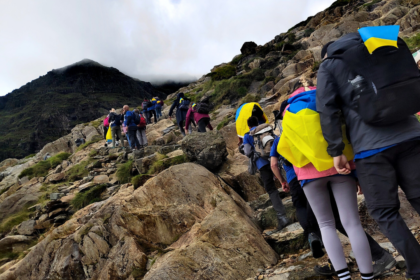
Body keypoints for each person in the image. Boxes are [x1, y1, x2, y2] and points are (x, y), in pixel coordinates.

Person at [317, 37, 420, 279]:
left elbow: (327, 109)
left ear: (327, 54)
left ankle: (417, 267)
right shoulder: (380, 45)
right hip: (411, 136)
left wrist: (336, 151)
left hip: (371, 149)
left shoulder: (329, 65)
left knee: (384, 211)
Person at [278, 88, 373, 280]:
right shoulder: (328, 102)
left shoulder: (289, 113)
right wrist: (356, 172)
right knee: (353, 223)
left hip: (308, 173)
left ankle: (344, 277)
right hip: (341, 167)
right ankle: (367, 276)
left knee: (325, 225)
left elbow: (285, 149)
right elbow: (348, 136)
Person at [244, 116, 290, 235]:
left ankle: (282, 217)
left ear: (249, 126)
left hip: (262, 164)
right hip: (276, 159)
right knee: (287, 180)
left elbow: (248, 152)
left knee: (271, 189)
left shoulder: (248, 135)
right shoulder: (266, 129)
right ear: (258, 122)